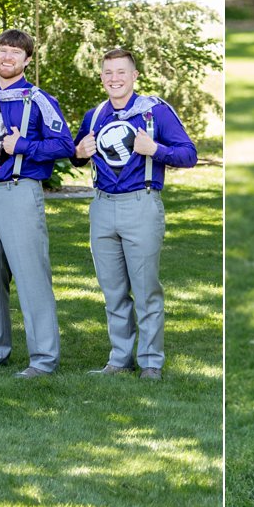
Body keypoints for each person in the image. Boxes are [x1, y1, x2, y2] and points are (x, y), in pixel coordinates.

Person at [75, 44, 200, 379]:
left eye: (121, 72)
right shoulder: (96, 113)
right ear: (101, 77)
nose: (114, 78)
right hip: (102, 206)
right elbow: (76, 153)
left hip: (140, 204)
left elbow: (189, 154)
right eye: (108, 72)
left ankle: (150, 361)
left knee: (145, 289)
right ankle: (119, 358)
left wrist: (155, 149)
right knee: (113, 290)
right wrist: (78, 152)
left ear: (134, 76)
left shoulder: (154, 111)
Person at [0, 28, 78, 377]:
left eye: (16, 52)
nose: (8, 57)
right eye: (3, 50)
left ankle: (43, 359)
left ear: (27, 59)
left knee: (31, 278)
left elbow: (65, 146)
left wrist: (25, 147)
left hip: (20, 192)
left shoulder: (38, 98)